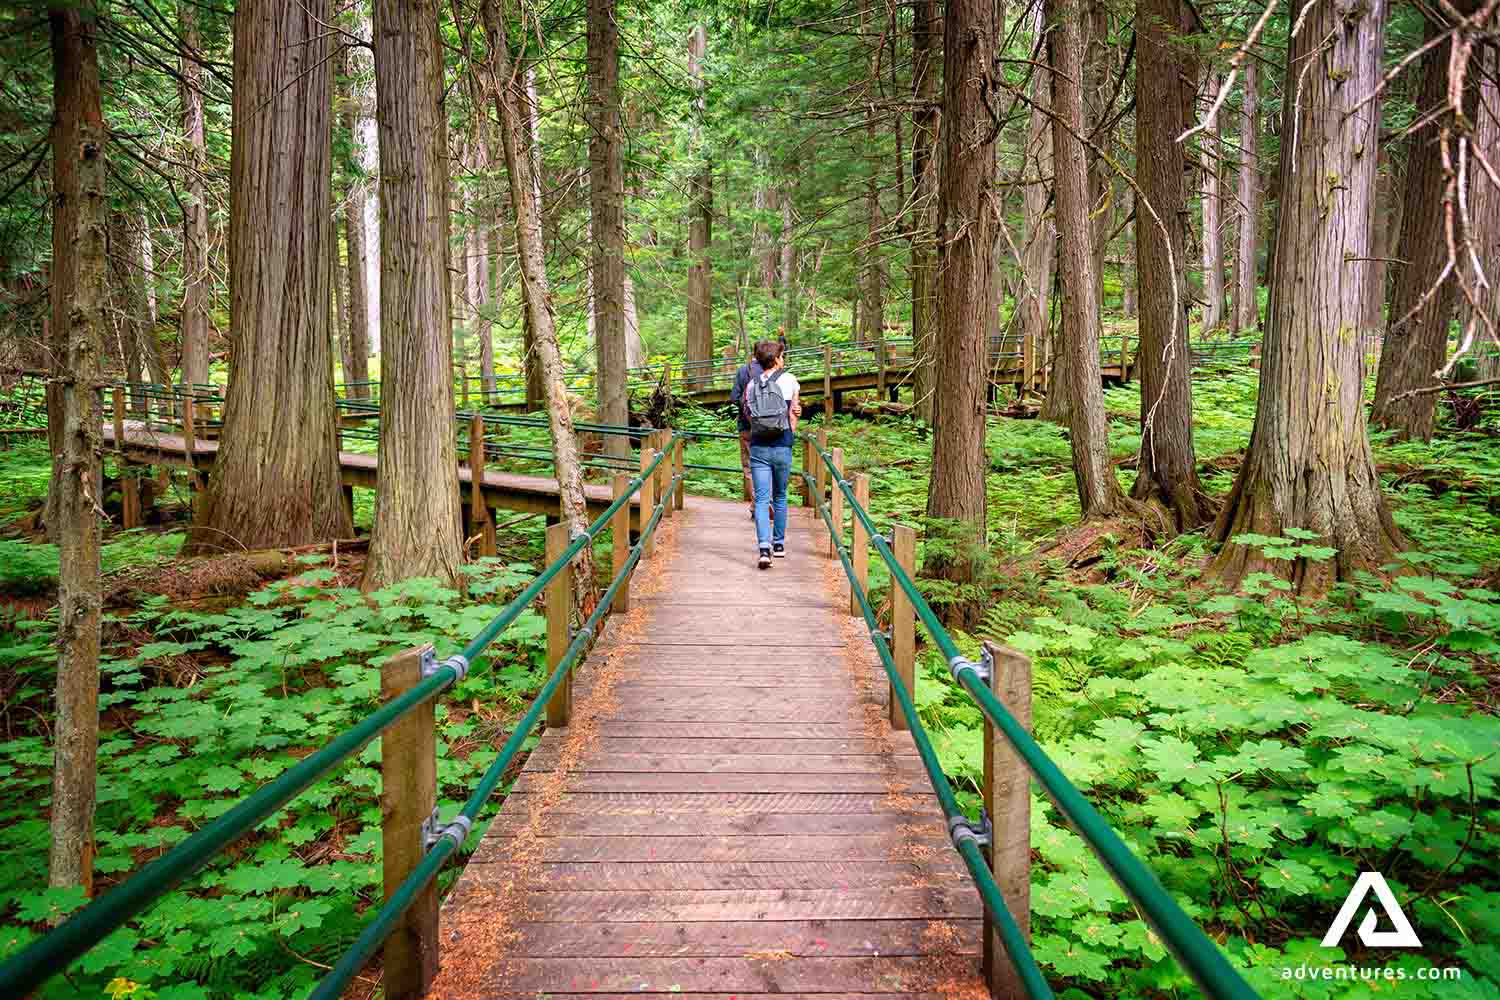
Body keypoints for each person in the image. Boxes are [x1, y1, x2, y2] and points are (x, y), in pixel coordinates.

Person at [743, 340, 800, 569]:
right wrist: (788, 430)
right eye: (782, 355)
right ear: (777, 359)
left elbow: (749, 416)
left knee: (762, 498)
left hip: (758, 447)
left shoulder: (751, 385)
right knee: (781, 496)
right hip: (782, 445)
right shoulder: (790, 380)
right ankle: (779, 544)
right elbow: (794, 413)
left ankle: (763, 548)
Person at [729, 345, 764, 515]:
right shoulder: (773, 370)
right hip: (769, 427)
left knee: (750, 467)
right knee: (767, 465)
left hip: (746, 426)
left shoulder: (744, 370)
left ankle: (756, 506)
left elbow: (734, 397)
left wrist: (746, 409)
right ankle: (766, 503)